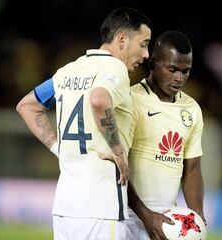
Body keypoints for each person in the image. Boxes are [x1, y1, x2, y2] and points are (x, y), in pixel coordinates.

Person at [16, 7, 152, 240]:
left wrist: (56, 147)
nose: (146, 54)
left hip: (65, 208)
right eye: (143, 44)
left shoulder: (68, 71)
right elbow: (99, 99)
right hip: (100, 207)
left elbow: (27, 106)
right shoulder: (115, 69)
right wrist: (118, 151)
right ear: (122, 40)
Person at [124, 30, 206, 239]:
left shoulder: (192, 109)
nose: (180, 78)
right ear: (153, 64)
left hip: (169, 223)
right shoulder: (130, 100)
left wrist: (197, 216)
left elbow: (192, 169)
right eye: (173, 69)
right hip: (127, 219)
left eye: (185, 71)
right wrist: (145, 216)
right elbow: (117, 167)